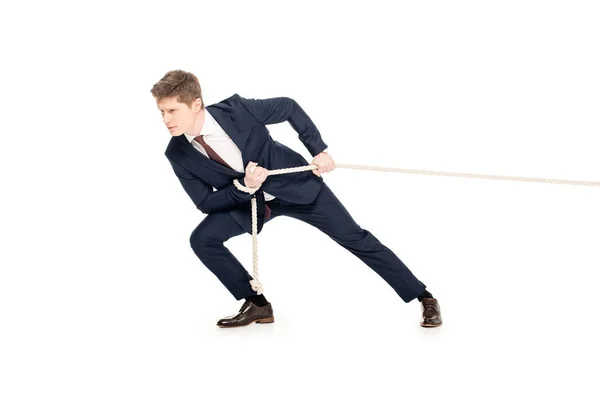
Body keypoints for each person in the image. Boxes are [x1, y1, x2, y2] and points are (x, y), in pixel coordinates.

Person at [150, 69, 442, 328]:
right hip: (250, 203)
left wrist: (318, 150)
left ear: (196, 103)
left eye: (172, 111)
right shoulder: (176, 153)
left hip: (296, 187)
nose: (165, 120)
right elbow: (205, 204)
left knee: (355, 237)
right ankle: (257, 304)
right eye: (161, 111)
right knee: (202, 239)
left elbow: (289, 107)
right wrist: (244, 186)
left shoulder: (237, 110)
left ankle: (423, 297)